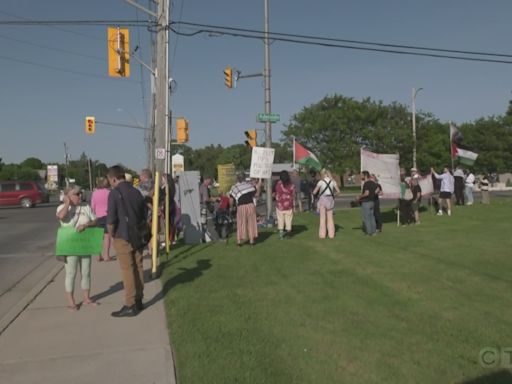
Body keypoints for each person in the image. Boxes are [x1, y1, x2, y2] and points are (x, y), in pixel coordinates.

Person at [107, 165, 148, 317]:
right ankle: (139, 299)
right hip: (137, 235)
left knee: (127, 270)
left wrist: (111, 234)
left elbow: (111, 219)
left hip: (122, 235)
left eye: (110, 180)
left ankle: (129, 303)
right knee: (138, 266)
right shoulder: (136, 191)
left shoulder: (114, 193)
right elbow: (144, 212)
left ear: (114, 178)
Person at [56, 184, 98, 311]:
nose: (80, 196)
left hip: (84, 243)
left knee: (86, 272)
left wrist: (86, 225)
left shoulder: (86, 207)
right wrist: (67, 203)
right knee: (71, 273)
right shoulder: (62, 207)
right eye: (76, 194)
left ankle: (86, 298)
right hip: (69, 245)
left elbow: (95, 220)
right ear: (68, 195)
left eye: (80, 193)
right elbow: (61, 217)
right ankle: (71, 301)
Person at [229, 174, 261, 246]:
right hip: (250, 205)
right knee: (251, 222)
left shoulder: (234, 187)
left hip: (241, 207)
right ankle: (251, 240)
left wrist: (231, 207)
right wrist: (258, 188)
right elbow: (256, 195)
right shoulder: (249, 185)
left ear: (237, 179)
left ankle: (239, 241)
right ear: (244, 178)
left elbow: (231, 199)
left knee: (240, 223)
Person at [312, 169, 340, 239]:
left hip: (322, 200)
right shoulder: (333, 181)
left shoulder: (321, 182)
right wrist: (333, 196)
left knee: (322, 218)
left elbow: (314, 192)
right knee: (330, 218)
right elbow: (338, 192)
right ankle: (331, 234)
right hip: (330, 200)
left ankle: (322, 235)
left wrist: (316, 193)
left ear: (323, 174)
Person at [90, 176, 112, 262]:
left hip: (97, 216)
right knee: (107, 236)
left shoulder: (94, 193)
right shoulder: (109, 192)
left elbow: (92, 206)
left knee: (98, 237)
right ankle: (106, 255)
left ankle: (98, 256)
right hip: (108, 215)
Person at [274, 170, 295, 239]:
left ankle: (281, 234)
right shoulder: (291, 185)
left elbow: (276, 192)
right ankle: (288, 233)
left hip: (280, 205)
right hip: (289, 205)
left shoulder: (278, 184)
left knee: (280, 219)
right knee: (288, 219)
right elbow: (293, 194)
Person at [358, 171, 377, 236]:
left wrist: (359, 196)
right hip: (372, 202)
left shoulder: (366, 183)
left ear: (365, 175)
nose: (360, 176)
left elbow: (366, 193)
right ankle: (374, 231)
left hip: (366, 202)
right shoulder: (373, 183)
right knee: (372, 217)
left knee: (367, 218)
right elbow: (377, 190)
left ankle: (369, 232)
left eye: (361, 175)